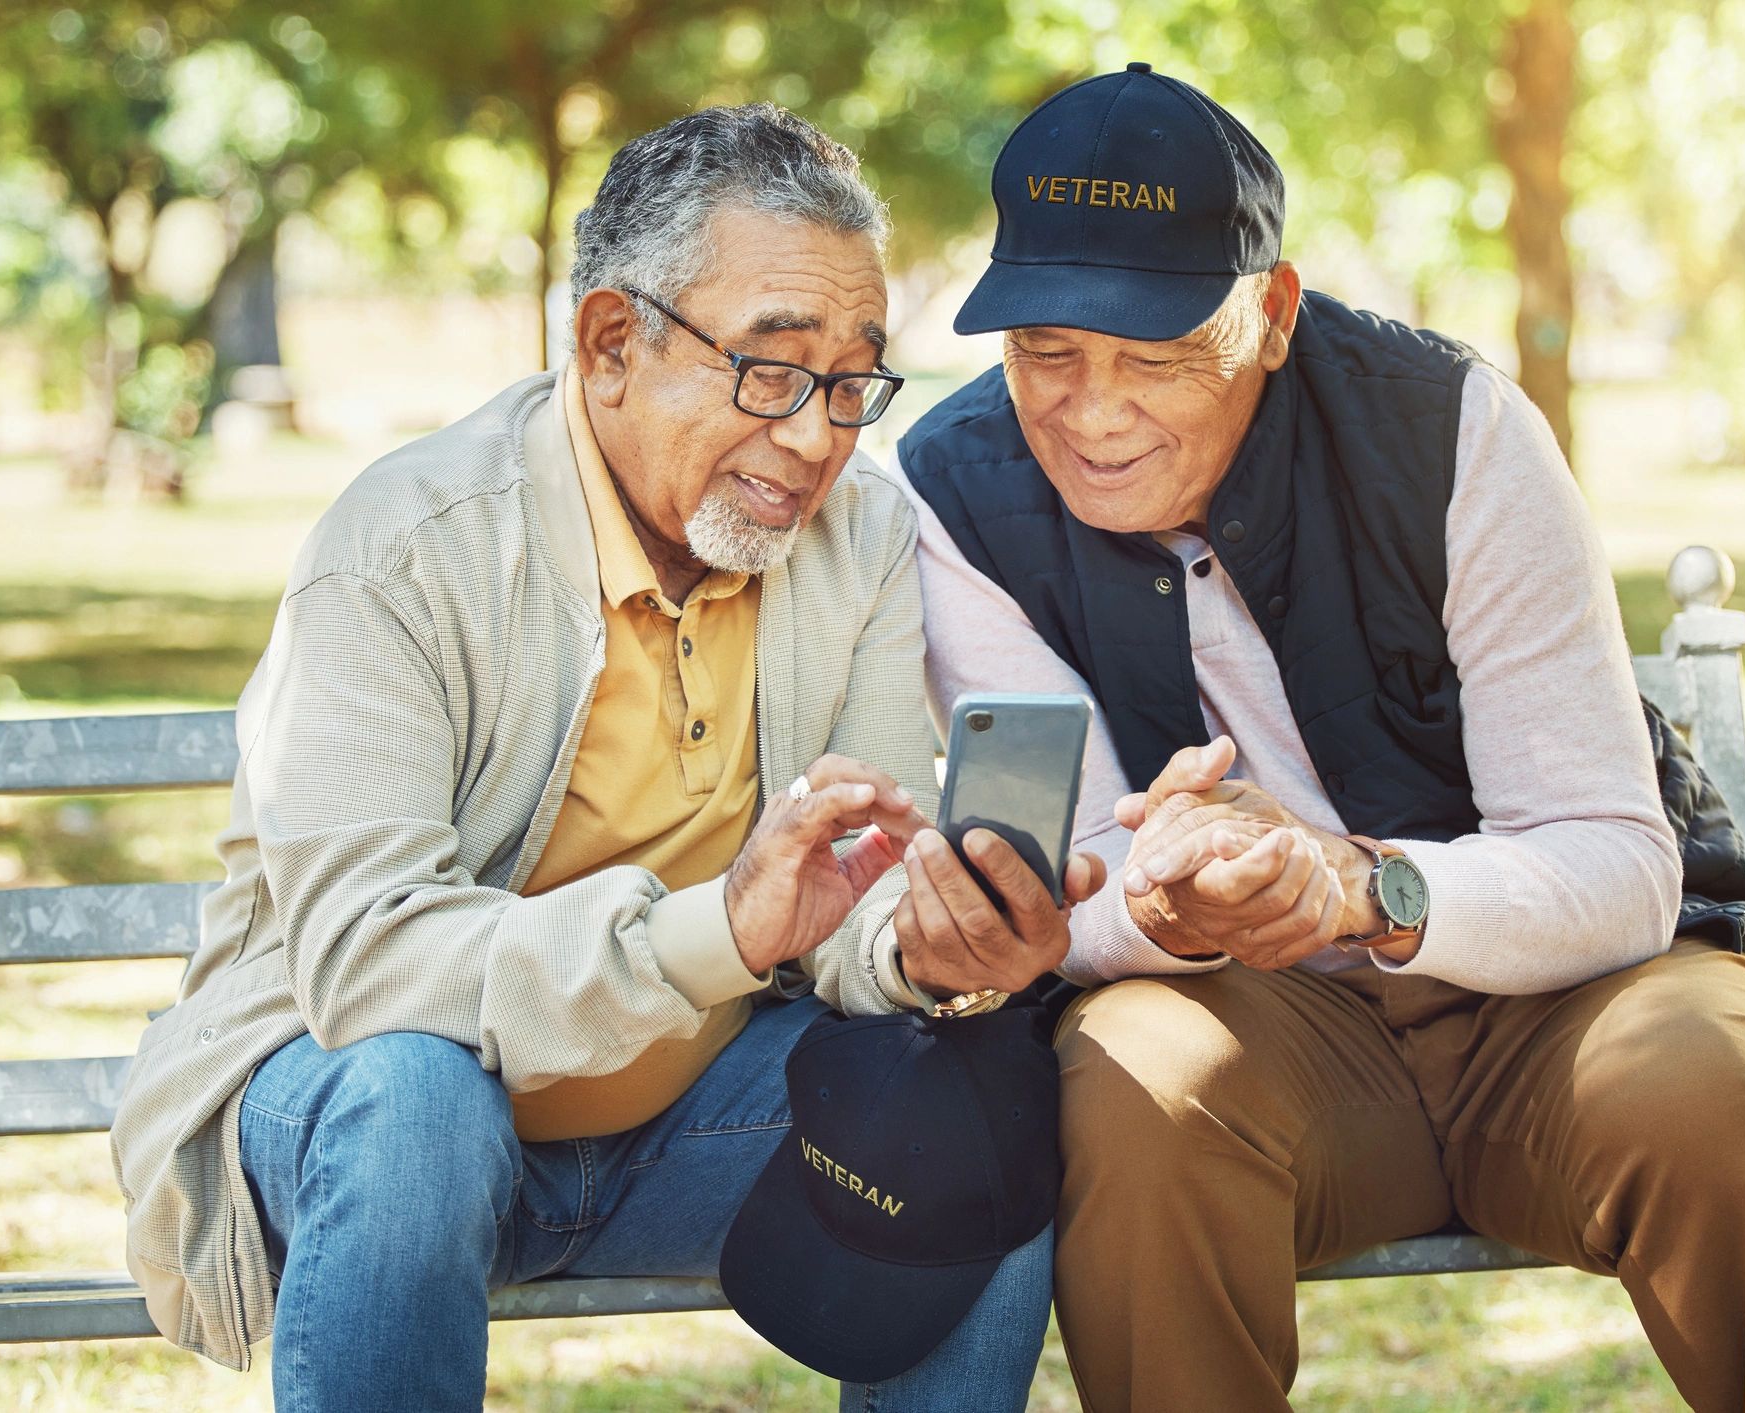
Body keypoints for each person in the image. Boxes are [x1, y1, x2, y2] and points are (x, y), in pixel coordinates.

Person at [895, 64, 1745, 1412]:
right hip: (1256, 1028)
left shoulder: (1453, 431)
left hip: (1564, 994)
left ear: (1271, 312)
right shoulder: (951, 494)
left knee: (1705, 1088)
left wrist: (1354, 883)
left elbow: (1614, 860)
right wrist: (1170, 902)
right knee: (1135, 1083)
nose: (1091, 412)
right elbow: (1053, 884)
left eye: (1152, 354)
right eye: (1045, 352)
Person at [109, 103, 1100, 1413]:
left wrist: (923, 950)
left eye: (853, 380)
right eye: (771, 368)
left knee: (982, 1135)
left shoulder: (855, 534)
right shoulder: (410, 543)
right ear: (610, 343)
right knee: (418, 1100)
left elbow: (849, 898)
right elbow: (366, 968)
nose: (816, 435)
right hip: (362, 1127)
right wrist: (719, 932)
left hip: (682, 1126)